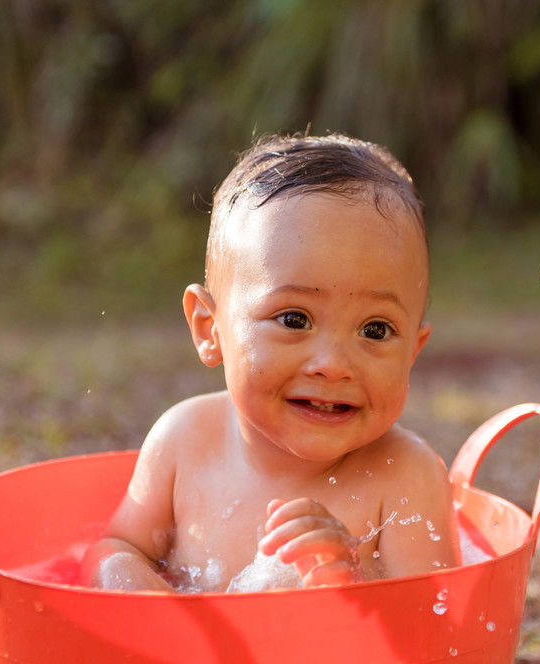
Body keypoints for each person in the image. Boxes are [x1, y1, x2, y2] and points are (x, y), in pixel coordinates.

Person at [81, 133, 460, 593]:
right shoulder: (184, 442)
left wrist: (352, 592)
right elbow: (118, 546)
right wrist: (132, 585)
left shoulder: (405, 477)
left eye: (375, 330)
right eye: (294, 319)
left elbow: (438, 636)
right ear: (209, 328)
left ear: (412, 352)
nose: (332, 364)